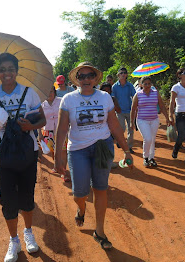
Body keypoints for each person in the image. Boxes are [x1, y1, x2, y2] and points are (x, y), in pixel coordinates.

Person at [55, 62, 133, 250]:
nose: (86, 79)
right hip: (78, 150)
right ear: (77, 80)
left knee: (100, 188)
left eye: (90, 75)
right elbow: (62, 129)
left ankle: (100, 231)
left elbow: (114, 125)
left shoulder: (105, 97)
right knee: (79, 193)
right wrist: (58, 156)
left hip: (102, 147)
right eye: (82, 76)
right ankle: (81, 209)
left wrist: (126, 149)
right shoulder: (68, 100)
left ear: (95, 78)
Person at [0, 53, 46, 262]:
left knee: (27, 195)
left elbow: (42, 119)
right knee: (8, 200)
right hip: (3, 152)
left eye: (11, 69)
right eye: (3, 69)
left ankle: (28, 232)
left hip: (28, 151)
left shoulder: (29, 94)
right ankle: (14, 240)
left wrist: (30, 126)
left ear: (17, 71)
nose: (7, 73)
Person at [130, 76, 171, 167]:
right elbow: (133, 109)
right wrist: (131, 122)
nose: (147, 85)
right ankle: (145, 157)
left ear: (151, 84)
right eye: (145, 84)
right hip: (142, 120)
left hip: (154, 120)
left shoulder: (155, 93)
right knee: (148, 138)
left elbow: (162, 106)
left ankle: (151, 158)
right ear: (141, 85)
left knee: (152, 139)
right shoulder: (138, 94)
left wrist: (167, 118)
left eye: (149, 84)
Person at [39, 86, 70, 181]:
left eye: (51, 91)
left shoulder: (61, 101)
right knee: (53, 151)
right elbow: (39, 120)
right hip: (48, 131)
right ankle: (57, 166)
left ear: (54, 92)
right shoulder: (42, 105)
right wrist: (40, 134)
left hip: (61, 130)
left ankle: (63, 172)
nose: (49, 93)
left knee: (63, 151)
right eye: (47, 92)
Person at [111, 67, 136, 153]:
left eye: (125, 73)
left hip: (129, 110)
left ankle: (129, 147)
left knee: (131, 130)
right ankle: (119, 141)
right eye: (121, 73)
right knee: (121, 129)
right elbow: (112, 98)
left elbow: (134, 96)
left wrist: (135, 107)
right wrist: (115, 108)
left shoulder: (130, 85)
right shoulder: (114, 87)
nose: (123, 74)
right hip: (119, 111)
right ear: (118, 75)